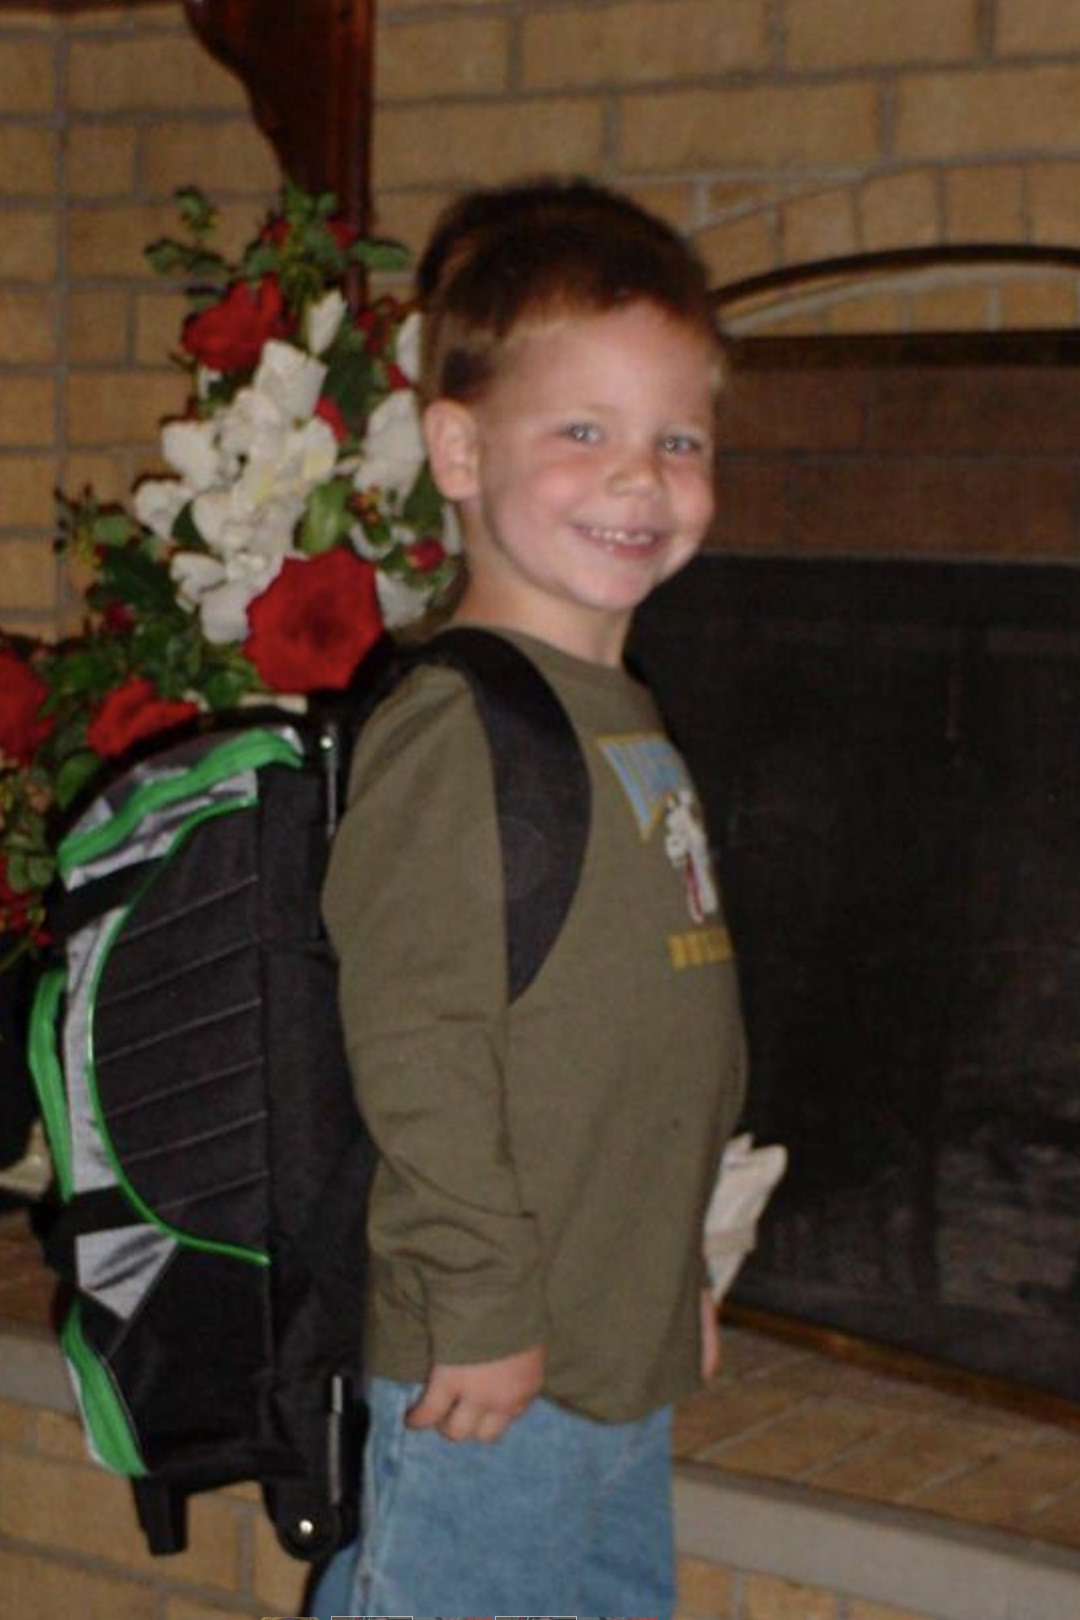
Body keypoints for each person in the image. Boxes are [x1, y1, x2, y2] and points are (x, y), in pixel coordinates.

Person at [310, 177, 747, 1618]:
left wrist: (673, 1270)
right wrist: (481, 1303)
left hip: (605, 1334)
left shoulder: (621, 709)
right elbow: (419, 1044)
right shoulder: (461, 727)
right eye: (584, 432)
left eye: (678, 439)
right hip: (493, 1356)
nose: (642, 478)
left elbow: (640, 1042)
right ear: (457, 447)